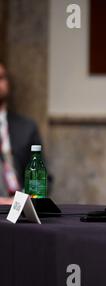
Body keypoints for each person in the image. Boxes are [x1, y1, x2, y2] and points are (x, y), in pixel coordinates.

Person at [0, 62, 43, 204]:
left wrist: (31, 198)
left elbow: (42, 174)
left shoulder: (27, 127)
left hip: (23, 207)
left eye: (1, 77)